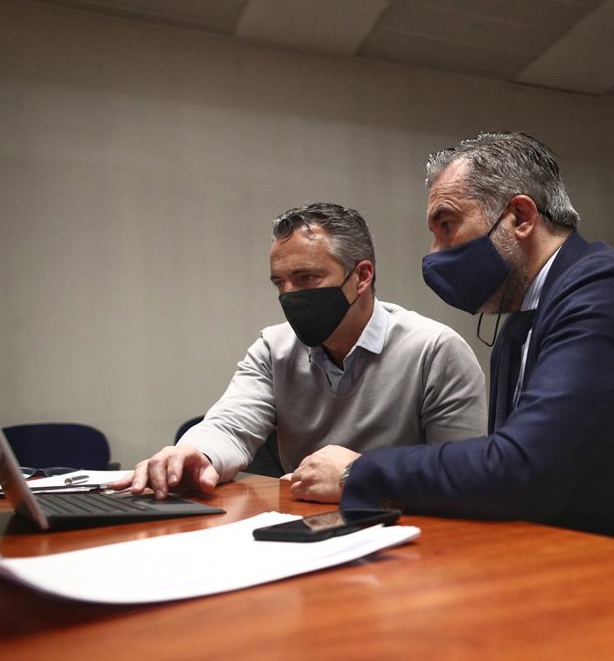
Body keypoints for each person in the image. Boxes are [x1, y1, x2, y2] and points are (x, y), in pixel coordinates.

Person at [287, 135, 614, 560]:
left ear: (519, 216)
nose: (435, 253)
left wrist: (358, 473)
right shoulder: (520, 322)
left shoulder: (609, 289)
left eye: (447, 225)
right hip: (587, 550)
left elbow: (519, 468)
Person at [119, 202, 487, 498]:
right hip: (303, 529)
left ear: (362, 276)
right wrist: (195, 453)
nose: (290, 296)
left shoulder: (434, 350)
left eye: (306, 278)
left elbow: (462, 477)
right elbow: (231, 426)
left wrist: (357, 475)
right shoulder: (273, 349)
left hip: (409, 532)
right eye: (280, 283)